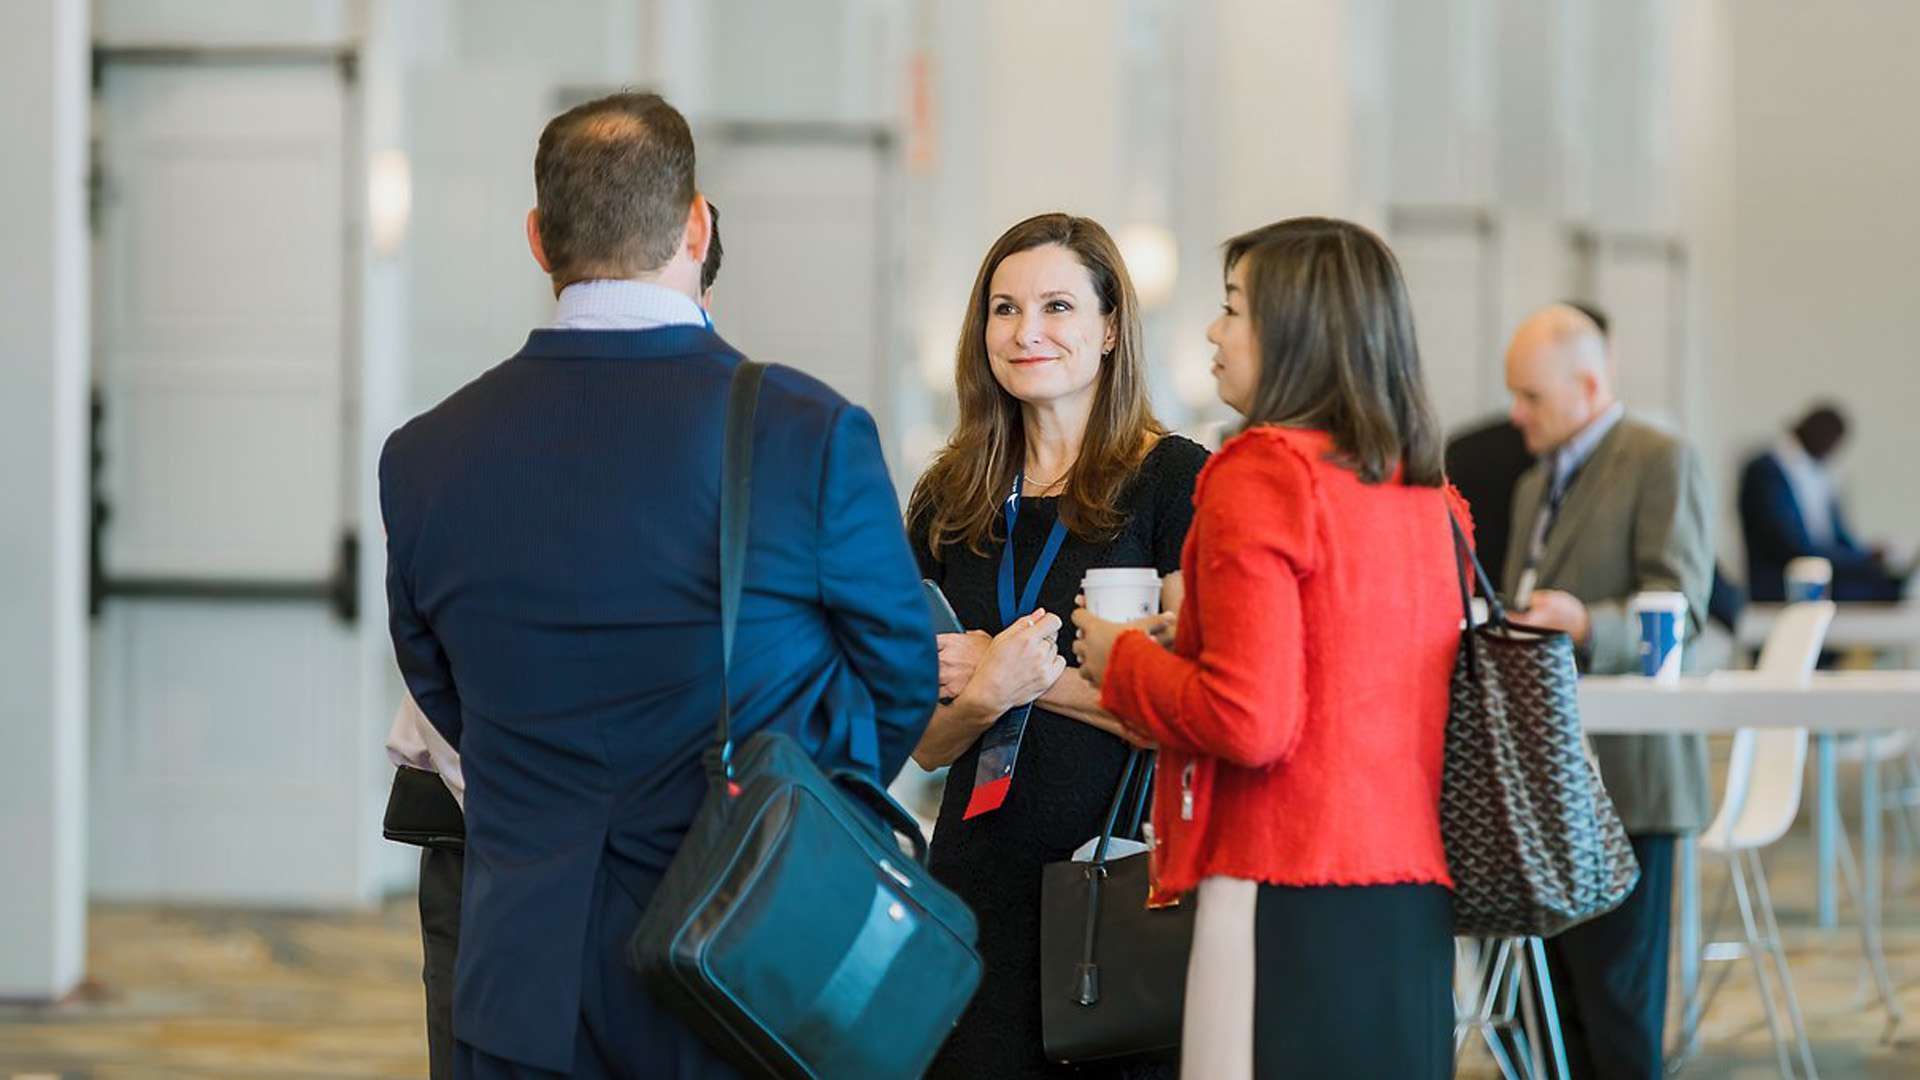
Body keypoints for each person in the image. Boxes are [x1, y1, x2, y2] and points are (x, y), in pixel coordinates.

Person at [379, 92, 936, 1079]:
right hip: (745, 958)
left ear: (537, 240)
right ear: (698, 224)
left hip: (521, 976)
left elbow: (443, 692)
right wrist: (780, 787)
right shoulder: (806, 432)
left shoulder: (426, 454)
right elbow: (896, 680)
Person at [1074, 217, 1461, 1078]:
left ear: (1298, 331)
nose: (1213, 332)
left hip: (1282, 879)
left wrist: (1121, 659)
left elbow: (1249, 719)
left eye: (1233, 309)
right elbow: (1347, 662)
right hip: (1412, 888)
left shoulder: (1261, 474)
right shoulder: (1425, 491)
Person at [382, 193, 732, 1080]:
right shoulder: (485, 431)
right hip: (495, 835)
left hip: (676, 854)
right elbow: (430, 654)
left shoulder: (744, 436)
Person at [906, 211, 1207, 1080]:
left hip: (1124, 871)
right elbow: (924, 742)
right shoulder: (948, 501)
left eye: (1057, 307)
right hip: (977, 882)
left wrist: (1019, 678)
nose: (1026, 331)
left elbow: (1187, 707)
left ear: (1110, 327)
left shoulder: (1174, 480)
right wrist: (981, 695)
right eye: (1003, 309)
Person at [1499, 303, 1714, 1078]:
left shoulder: (1661, 459)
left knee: (1618, 1010)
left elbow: (1681, 607)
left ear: (1588, 385)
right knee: (1555, 1010)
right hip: (1549, 780)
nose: (1516, 414)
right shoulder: (1533, 485)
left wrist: (1586, 623)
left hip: (1629, 782)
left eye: (1531, 397)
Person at [1739, 403, 1908, 602]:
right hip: (1784, 583)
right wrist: (1861, 560)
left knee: (1889, 584)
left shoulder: (1820, 474)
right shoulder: (1766, 471)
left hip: (1825, 573)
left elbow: (1838, 537)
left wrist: (1866, 556)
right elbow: (1792, 545)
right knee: (1880, 591)